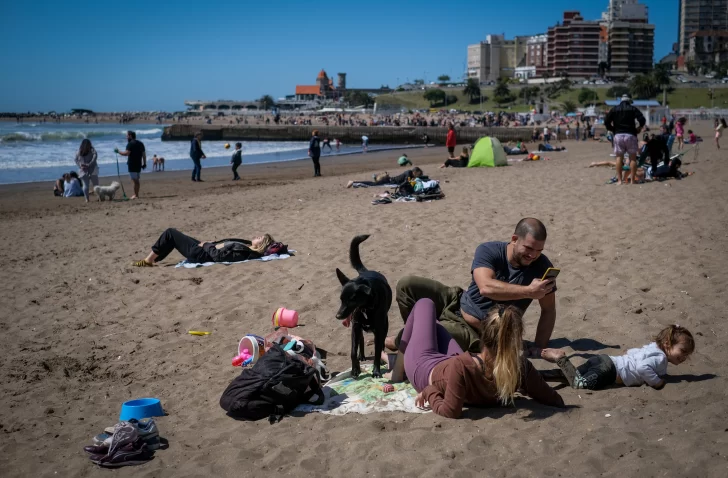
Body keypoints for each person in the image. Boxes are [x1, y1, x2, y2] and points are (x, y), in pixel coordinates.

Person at [388, 218, 557, 355]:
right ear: (514, 239)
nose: (532, 255)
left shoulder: (541, 267)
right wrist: (529, 291)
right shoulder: (489, 250)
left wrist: (539, 347)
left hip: (478, 333)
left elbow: (548, 309)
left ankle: (405, 341)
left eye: (539, 250)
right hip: (457, 301)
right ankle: (414, 336)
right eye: (528, 248)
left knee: (416, 336)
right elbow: (486, 287)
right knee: (407, 285)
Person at [386, 299, 563, 418]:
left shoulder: (463, 366)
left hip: (425, 368)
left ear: (483, 334)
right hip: (452, 365)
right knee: (435, 325)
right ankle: (395, 356)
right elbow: (554, 400)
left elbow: (450, 411)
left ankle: (396, 373)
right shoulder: (521, 368)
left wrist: (429, 392)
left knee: (425, 303)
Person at [541, 325, 694, 390]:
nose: (684, 356)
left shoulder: (653, 347)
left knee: (569, 376)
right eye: (682, 351)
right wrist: (657, 382)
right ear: (667, 344)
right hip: (609, 370)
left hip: (606, 360)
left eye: (687, 354)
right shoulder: (660, 358)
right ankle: (560, 358)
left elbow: (634, 352)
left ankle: (535, 376)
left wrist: (629, 354)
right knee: (578, 383)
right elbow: (642, 367)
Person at [132, 228, 275, 266]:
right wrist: (211, 243)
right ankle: (153, 259)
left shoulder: (244, 251)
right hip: (206, 248)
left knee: (170, 233)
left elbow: (218, 257)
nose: (257, 236)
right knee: (173, 237)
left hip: (201, 253)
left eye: (260, 238)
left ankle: (149, 261)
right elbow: (224, 247)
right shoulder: (247, 247)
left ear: (261, 245)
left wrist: (206, 245)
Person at [604, 94, 646, 185]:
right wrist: (639, 128)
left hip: (618, 135)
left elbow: (606, 121)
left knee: (619, 157)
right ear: (629, 101)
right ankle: (632, 181)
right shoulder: (633, 109)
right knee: (633, 158)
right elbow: (642, 119)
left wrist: (612, 129)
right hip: (630, 135)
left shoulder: (614, 109)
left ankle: (619, 180)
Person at [114, 131, 146, 199]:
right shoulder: (140, 143)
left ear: (130, 136)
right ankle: (136, 194)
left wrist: (118, 151)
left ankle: (135, 195)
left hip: (132, 164)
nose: (126, 137)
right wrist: (144, 163)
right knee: (137, 180)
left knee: (135, 181)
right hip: (139, 164)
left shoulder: (130, 144)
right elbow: (144, 154)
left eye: (127, 136)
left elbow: (126, 153)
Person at [346, 167, 423, 188]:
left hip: (388, 180)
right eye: (418, 174)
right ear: (415, 172)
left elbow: (407, 181)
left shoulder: (410, 174)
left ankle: (356, 181)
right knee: (372, 184)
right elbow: (406, 182)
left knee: (373, 183)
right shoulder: (408, 172)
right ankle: (353, 182)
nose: (418, 176)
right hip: (388, 180)